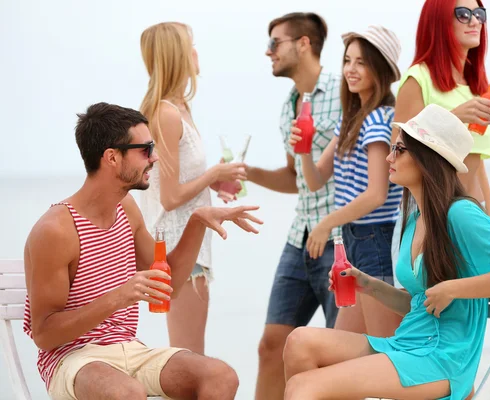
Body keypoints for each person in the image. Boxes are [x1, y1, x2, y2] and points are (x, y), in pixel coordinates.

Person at [282, 104, 490, 400]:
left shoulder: (461, 214)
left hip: (441, 358)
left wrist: (454, 289)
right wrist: (369, 286)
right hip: (409, 343)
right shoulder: (415, 218)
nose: (389, 158)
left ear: (427, 159)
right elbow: (422, 303)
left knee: (305, 387)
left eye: (400, 150)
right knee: (298, 342)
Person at [22, 103, 261, 400]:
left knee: (221, 377)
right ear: (112, 157)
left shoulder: (126, 209)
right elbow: (44, 334)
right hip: (72, 359)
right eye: (145, 150)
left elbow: (168, 286)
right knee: (127, 393)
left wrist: (197, 221)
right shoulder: (56, 230)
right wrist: (118, 297)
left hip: (130, 351)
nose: (155, 158)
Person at [244, 12, 342, 400]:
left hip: (339, 239)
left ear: (303, 44)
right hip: (298, 239)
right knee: (272, 346)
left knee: (338, 353)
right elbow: (295, 177)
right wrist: (246, 172)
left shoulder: (344, 91)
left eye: (275, 43)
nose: (268, 52)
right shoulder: (288, 106)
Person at [138, 22, 247, 355]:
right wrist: (214, 171)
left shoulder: (180, 110)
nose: (197, 52)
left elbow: (175, 183)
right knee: (188, 360)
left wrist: (214, 181)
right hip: (177, 252)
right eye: (191, 45)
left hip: (192, 248)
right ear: (177, 57)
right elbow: (169, 198)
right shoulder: (165, 115)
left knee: (191, 358)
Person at [289, 25, 403, 336]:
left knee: (382, 349)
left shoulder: (381, 119)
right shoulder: (351, 119)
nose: (350, 70)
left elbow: (377, 194)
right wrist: (304, 149)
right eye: (347, 61)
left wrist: (326, 223)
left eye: (361, 62)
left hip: (375, 239)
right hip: (354, 239)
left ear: (380, 68)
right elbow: (316, 180)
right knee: (344, 347)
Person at [392, 0, 490, 217]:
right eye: (463, 14)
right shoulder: (418, 79)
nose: (475, 20)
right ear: (439, 21)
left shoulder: (475, 86)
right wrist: (453, 117)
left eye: (479, 13)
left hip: (473, 214)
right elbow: (398, 154)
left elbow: (477, 164)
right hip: (433, 214)